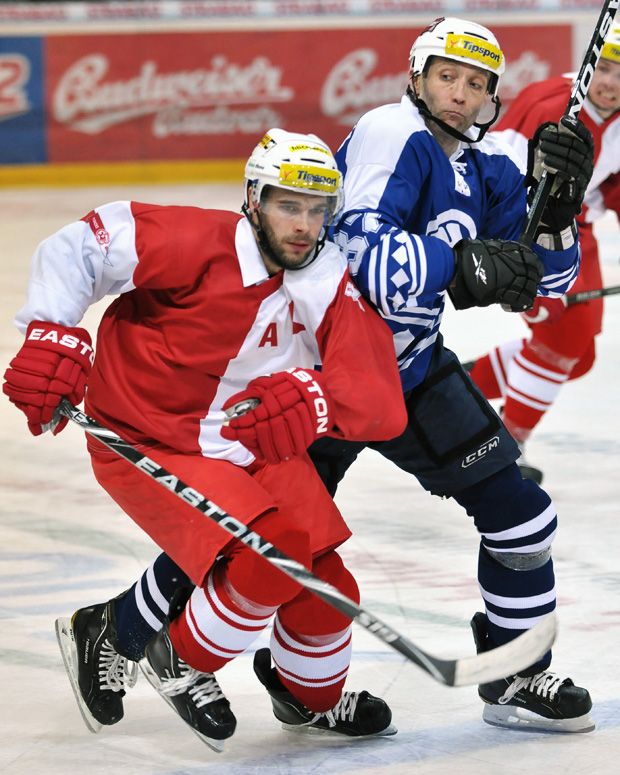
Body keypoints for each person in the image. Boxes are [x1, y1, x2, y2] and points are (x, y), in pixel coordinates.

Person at [28, 17, 597, 737]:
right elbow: (363, 259)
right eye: (448, 76)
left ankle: (509, 676)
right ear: (417, 77)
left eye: (477, 83)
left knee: (518, 511)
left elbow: (545, 279)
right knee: (264, 539)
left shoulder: (480, 169)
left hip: (407, 371)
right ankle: (135, 633)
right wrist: (462, 265)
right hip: (312, 374)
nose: (460, 93)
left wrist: (556, 207)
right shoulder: (395, 135)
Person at [2, 128, 409, 750]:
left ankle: (308, 699)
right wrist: (49, 330)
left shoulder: (326, 277)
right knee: (269, 556)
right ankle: (179, 659)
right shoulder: (198, 241)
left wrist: (322, 399)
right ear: (253, 199)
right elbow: (83, 244)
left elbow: (379, 393)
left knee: (331, 591)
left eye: (316, 209)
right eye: (287, 205)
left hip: (247, 447)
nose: (303, 225)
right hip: (147, 437)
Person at [466, 23, 620, 483]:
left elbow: (614, 186)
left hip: (578, 230)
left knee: (579, 355)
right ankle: (506, 446)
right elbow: (496, 180)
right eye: (606, 68)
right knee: (560, 344)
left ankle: (462, 387)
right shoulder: (553, 108)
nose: (611, 82)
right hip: (525, 230)